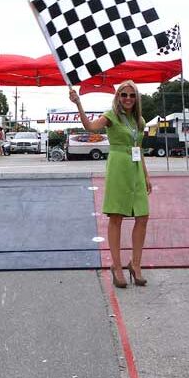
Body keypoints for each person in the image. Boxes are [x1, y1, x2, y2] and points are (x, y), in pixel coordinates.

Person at [69, 80, 151, 288]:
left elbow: (138, 148)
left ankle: (136, 264)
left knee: (142, 216)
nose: (128, 99)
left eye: (132, 95)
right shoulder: (111, 115)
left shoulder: (139, 120)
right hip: (118, 168)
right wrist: (78, 104)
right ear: (118, 97)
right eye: (124, 95)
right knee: (117, 216)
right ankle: (117, 266)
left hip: (136, 170)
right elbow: (89, 127)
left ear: (136, 98)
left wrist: (146, 175)